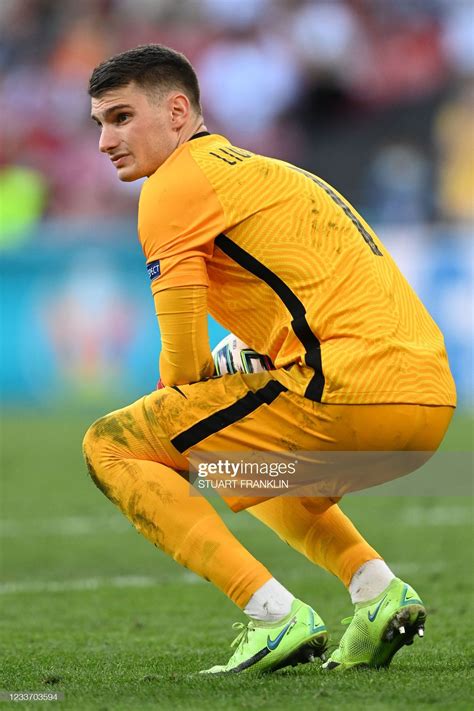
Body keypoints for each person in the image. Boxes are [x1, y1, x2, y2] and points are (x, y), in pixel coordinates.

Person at [83, 44, 456, 674]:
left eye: (120, 118)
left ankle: (273, 617)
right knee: (242, 458)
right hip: (426, 402)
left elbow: (183, 359)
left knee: (111, 446)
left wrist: (186, 399)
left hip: (343, 393)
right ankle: (377, 595)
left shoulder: (173, 185)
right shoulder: (274, 173)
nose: (104, 141)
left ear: (178, 111)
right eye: (99, 123)